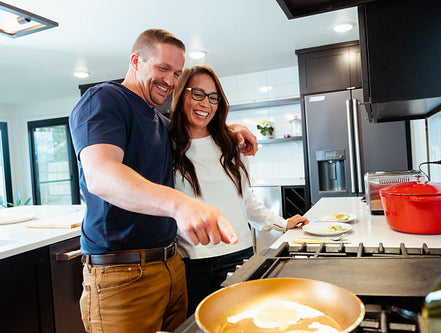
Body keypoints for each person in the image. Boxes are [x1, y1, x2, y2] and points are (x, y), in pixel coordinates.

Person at [69, 29, 257, 333]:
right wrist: (181, 204)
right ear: (135, 61)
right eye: (162, 69)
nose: (170, 80)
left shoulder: (159, 122)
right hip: (122, 274)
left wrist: (232, 128)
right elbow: (101, 175)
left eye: (177, 73)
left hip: (171, 266)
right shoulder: (106, 99)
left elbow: (197, 128)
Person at [169, 65, 309, 315]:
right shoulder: (166, 147)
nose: (206, 103)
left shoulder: (231, 145)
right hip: (191, 263)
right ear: (181, 95)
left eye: (213, 97)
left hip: (238, 255)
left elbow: (246, 201)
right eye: (198, 93)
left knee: (243, 323)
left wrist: (282, 224)